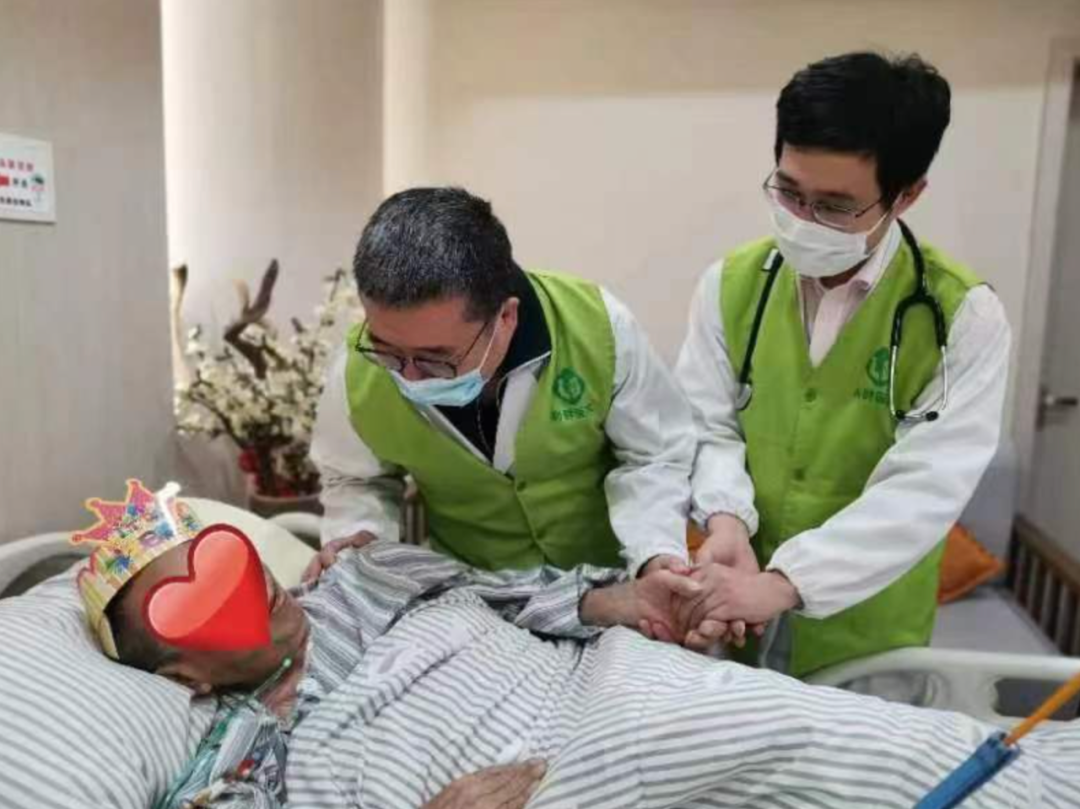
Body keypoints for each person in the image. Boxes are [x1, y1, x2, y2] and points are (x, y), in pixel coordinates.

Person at [76, 483, 1080, 809]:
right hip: (516, 785)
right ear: (181, 668)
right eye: (194, 608)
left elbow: (530, 596)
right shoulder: (231, 750)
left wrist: (626, 596)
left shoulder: (367, 572)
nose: (242, 592)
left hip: (614, 697)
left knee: (867, 749)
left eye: (223, 562)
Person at [674, 52, 1012, 677]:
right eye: (789, 192)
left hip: (870, 638)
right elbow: (707, 426)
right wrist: (725, 522)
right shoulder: (731, 285)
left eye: (834, 206)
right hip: (742, 620)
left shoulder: (961, 317)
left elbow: (924, 487)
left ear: (906, 195)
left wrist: (785, 582)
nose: (802, 221)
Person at [309, 186, 697, 580]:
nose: (408, 375)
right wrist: (362, 535)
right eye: (387, 350)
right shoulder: (355, 371)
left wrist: (654, 552)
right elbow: (355, 479)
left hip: (610, 583)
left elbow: (654, 457)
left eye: (436, 358)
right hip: (473, 590)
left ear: (506, 318)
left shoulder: (600, 328)